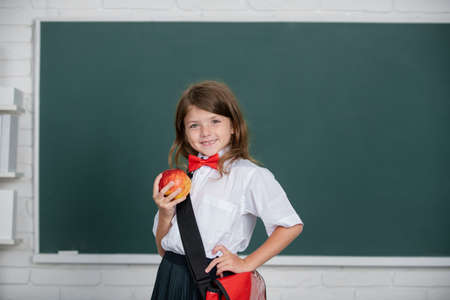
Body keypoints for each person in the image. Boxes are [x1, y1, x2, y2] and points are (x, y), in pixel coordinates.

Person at [151, 80, 304, 300]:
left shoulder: (250, 175)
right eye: (194, 125)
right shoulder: (184, 178)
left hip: (211, 281)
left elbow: (291, 225)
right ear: (184, 132)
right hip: (170, 275)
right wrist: (165, 213)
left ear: (233, 126)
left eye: (215, 121)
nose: (206, 132)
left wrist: (246, 263)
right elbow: (164, 250)